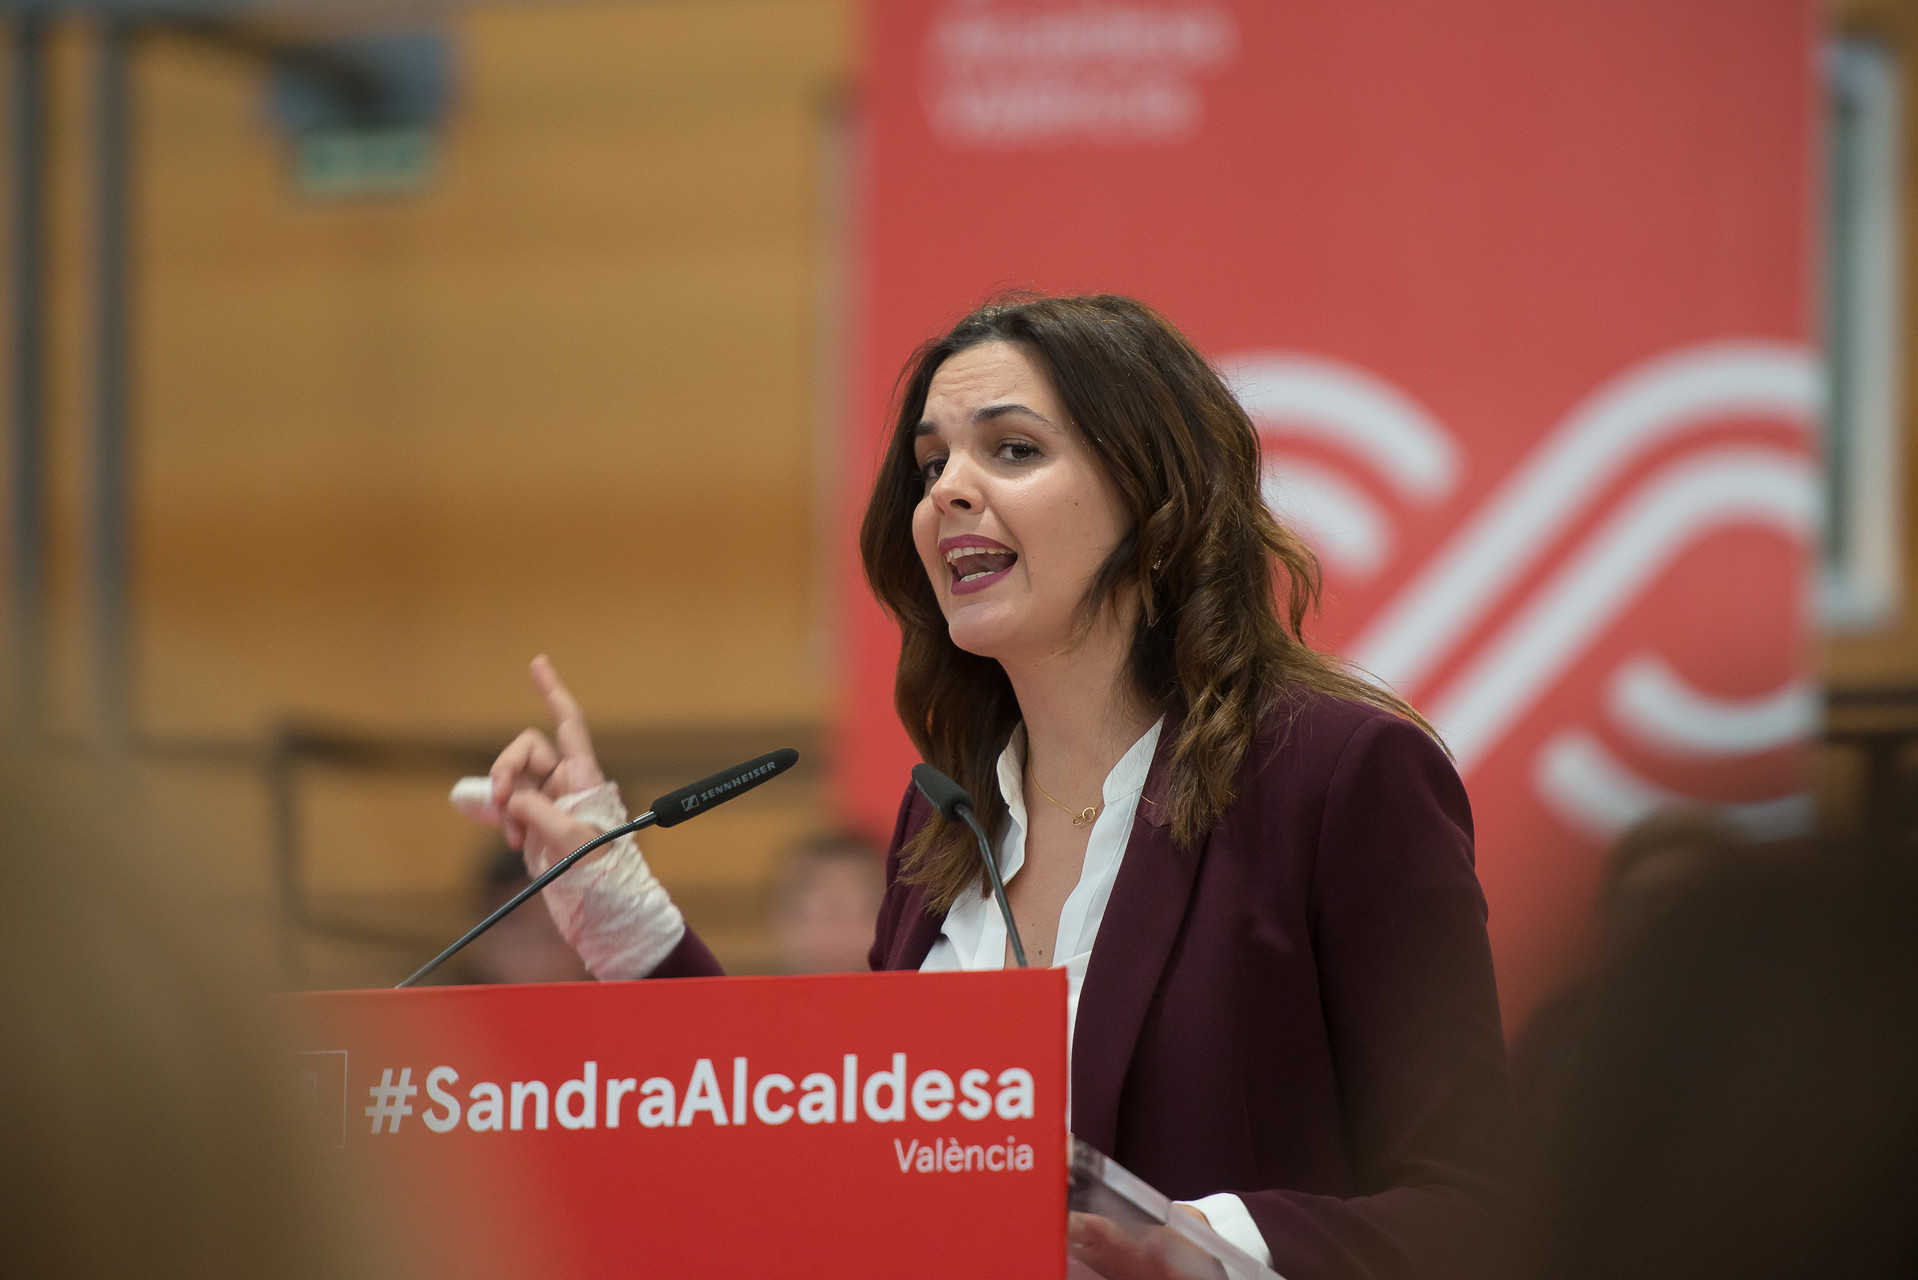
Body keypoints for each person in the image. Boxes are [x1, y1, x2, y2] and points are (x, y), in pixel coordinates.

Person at [482, 295, 1510, 1278]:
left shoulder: (1336, 777)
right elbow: (832, 1164)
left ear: (1154, 501)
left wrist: (1207, 1246)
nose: (947, 491)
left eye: (1011, 449)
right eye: (932, 463)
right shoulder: (945, 822)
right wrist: (614, 901)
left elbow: (1477, 1210)